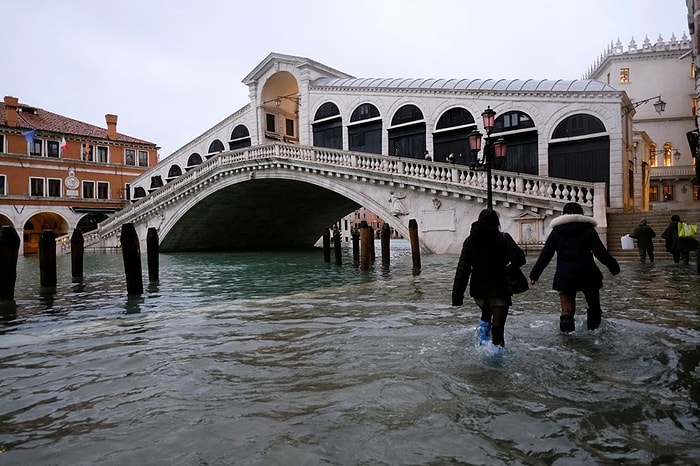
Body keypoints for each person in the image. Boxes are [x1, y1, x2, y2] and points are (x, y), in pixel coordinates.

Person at [528, 202, 620, 332]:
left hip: (565, 274)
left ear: (563, 214)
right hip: (588, 273)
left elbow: (545, 256)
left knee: (566, 311)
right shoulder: (589, 230)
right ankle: (594, 335)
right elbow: (600, 252)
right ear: (581, 214)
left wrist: (534, 275)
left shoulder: (556, 232)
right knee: (594, 307)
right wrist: (613, 267)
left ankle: (567, 340)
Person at [451, 208, 526, 348]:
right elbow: (520, 259)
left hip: (478, 290)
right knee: (498, 329)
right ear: (496, 222)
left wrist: (457, 296)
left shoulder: (470, 241)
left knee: (486, 314)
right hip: (499, 288)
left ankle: (483, 345)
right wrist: (508, 267)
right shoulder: (503, 238)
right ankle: (496, 358)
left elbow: (462, 270)